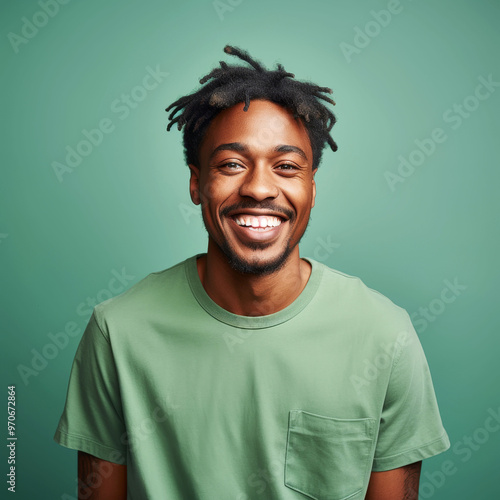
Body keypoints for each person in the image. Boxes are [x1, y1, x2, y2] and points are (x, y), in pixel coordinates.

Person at [54, 45, 450, 500]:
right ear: (196, 183)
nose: (260, 187)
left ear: (311, 189)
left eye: (286, 167)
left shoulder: (385, 336)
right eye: (231, 164)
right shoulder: (117, 333)